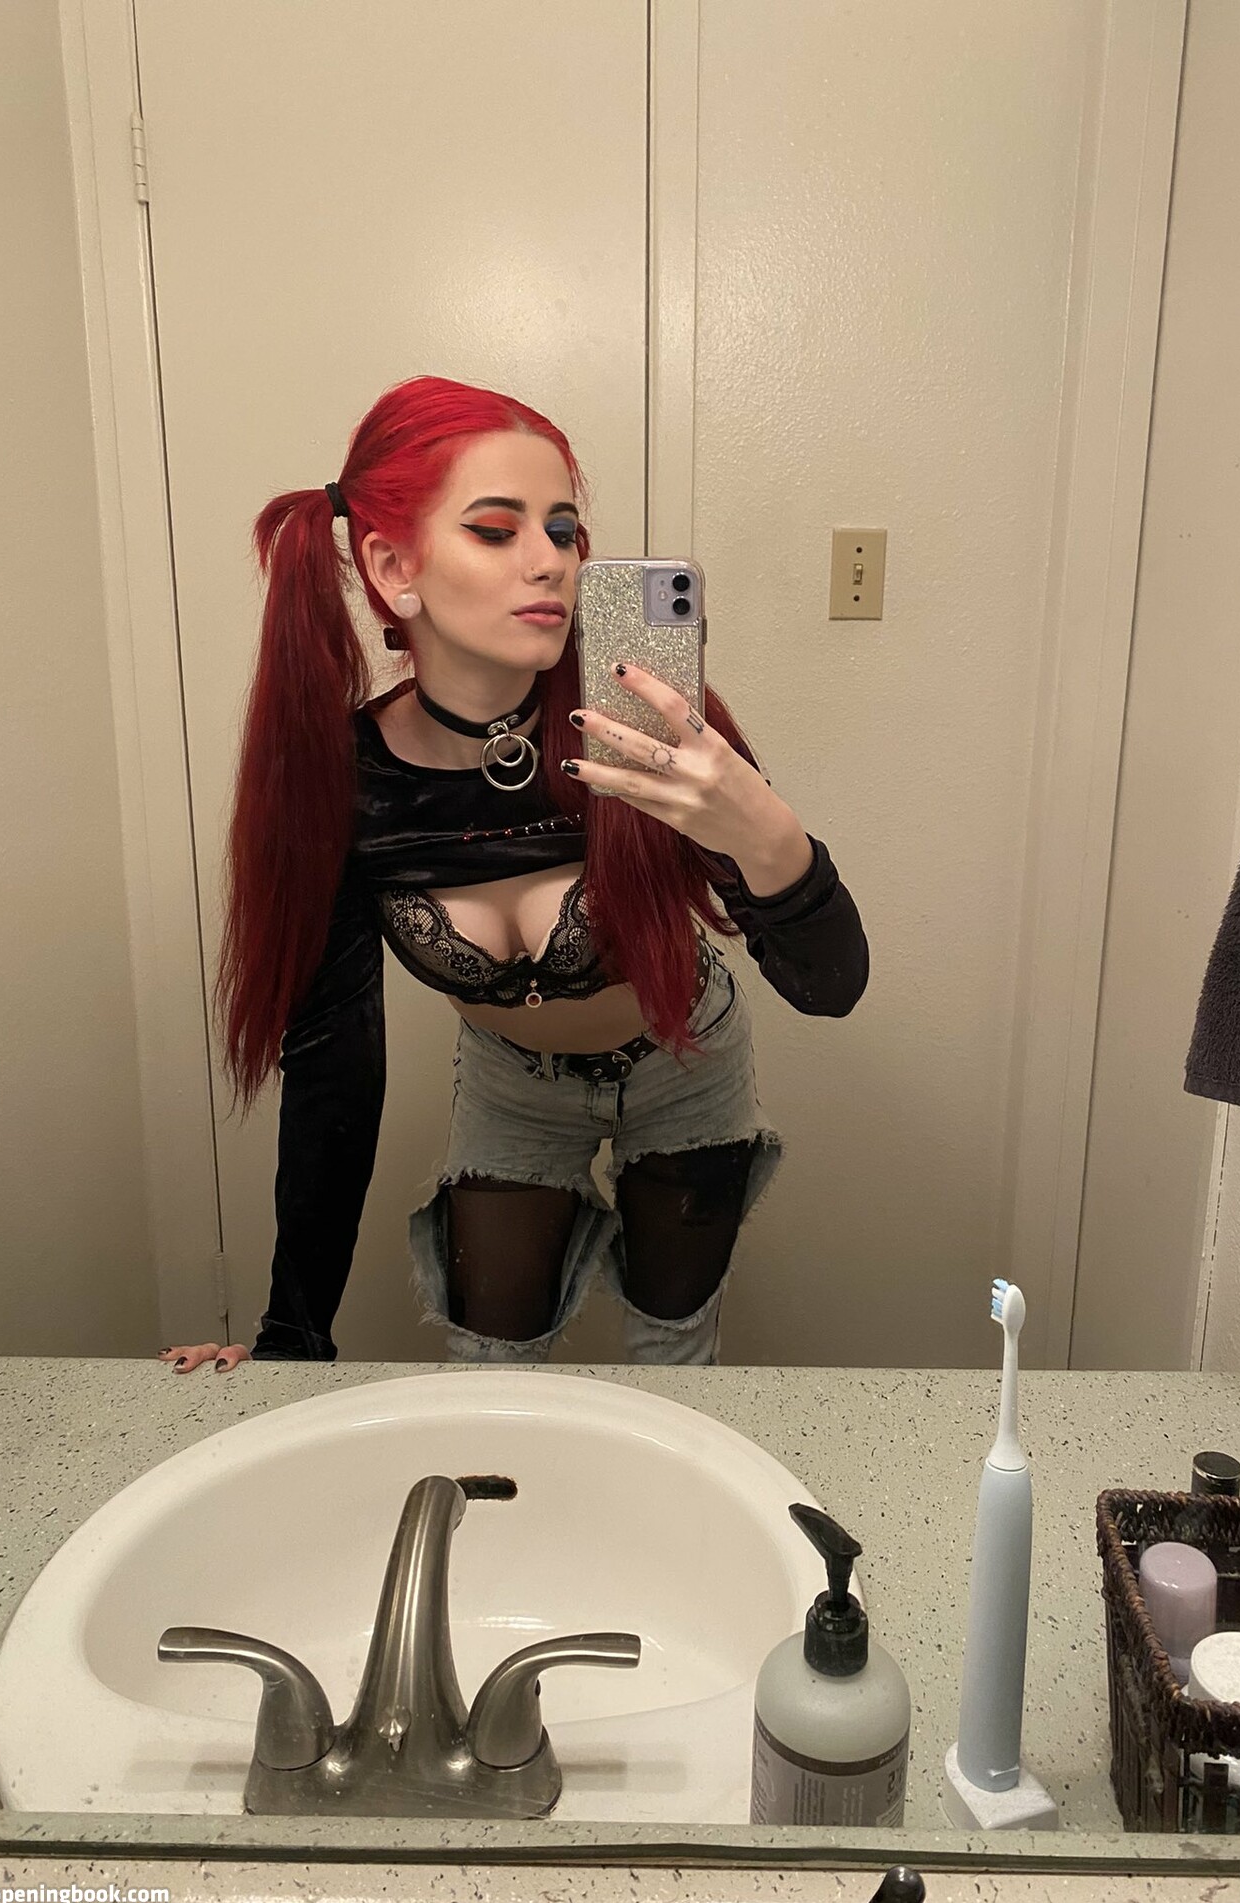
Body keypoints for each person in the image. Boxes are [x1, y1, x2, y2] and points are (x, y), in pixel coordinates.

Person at [160, 375, 868, 1377]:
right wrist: (290, 1338)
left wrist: (764, 828)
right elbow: (333, 1068)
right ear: (393, 566)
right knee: (490, 1361)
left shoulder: (642, 721)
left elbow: (831, 987)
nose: (551, 562)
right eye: (496, 531)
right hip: (511, 1089)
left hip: (685, 1059)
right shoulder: (349, 782)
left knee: (673, 1353)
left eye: (564, 530)